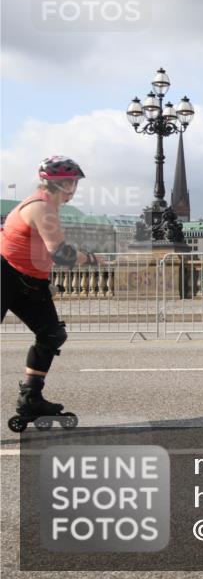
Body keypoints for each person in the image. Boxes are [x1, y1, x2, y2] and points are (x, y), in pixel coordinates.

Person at [2, 156, 100, 432]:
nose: (75, 189)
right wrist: (92, 259)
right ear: (65, 185)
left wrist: (45, 278)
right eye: (74, 183)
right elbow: (63, 254)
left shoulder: (47, 207)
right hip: (5, 274)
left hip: (28, 281)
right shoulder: (40, 207)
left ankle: (31, 398)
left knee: (52, 334)